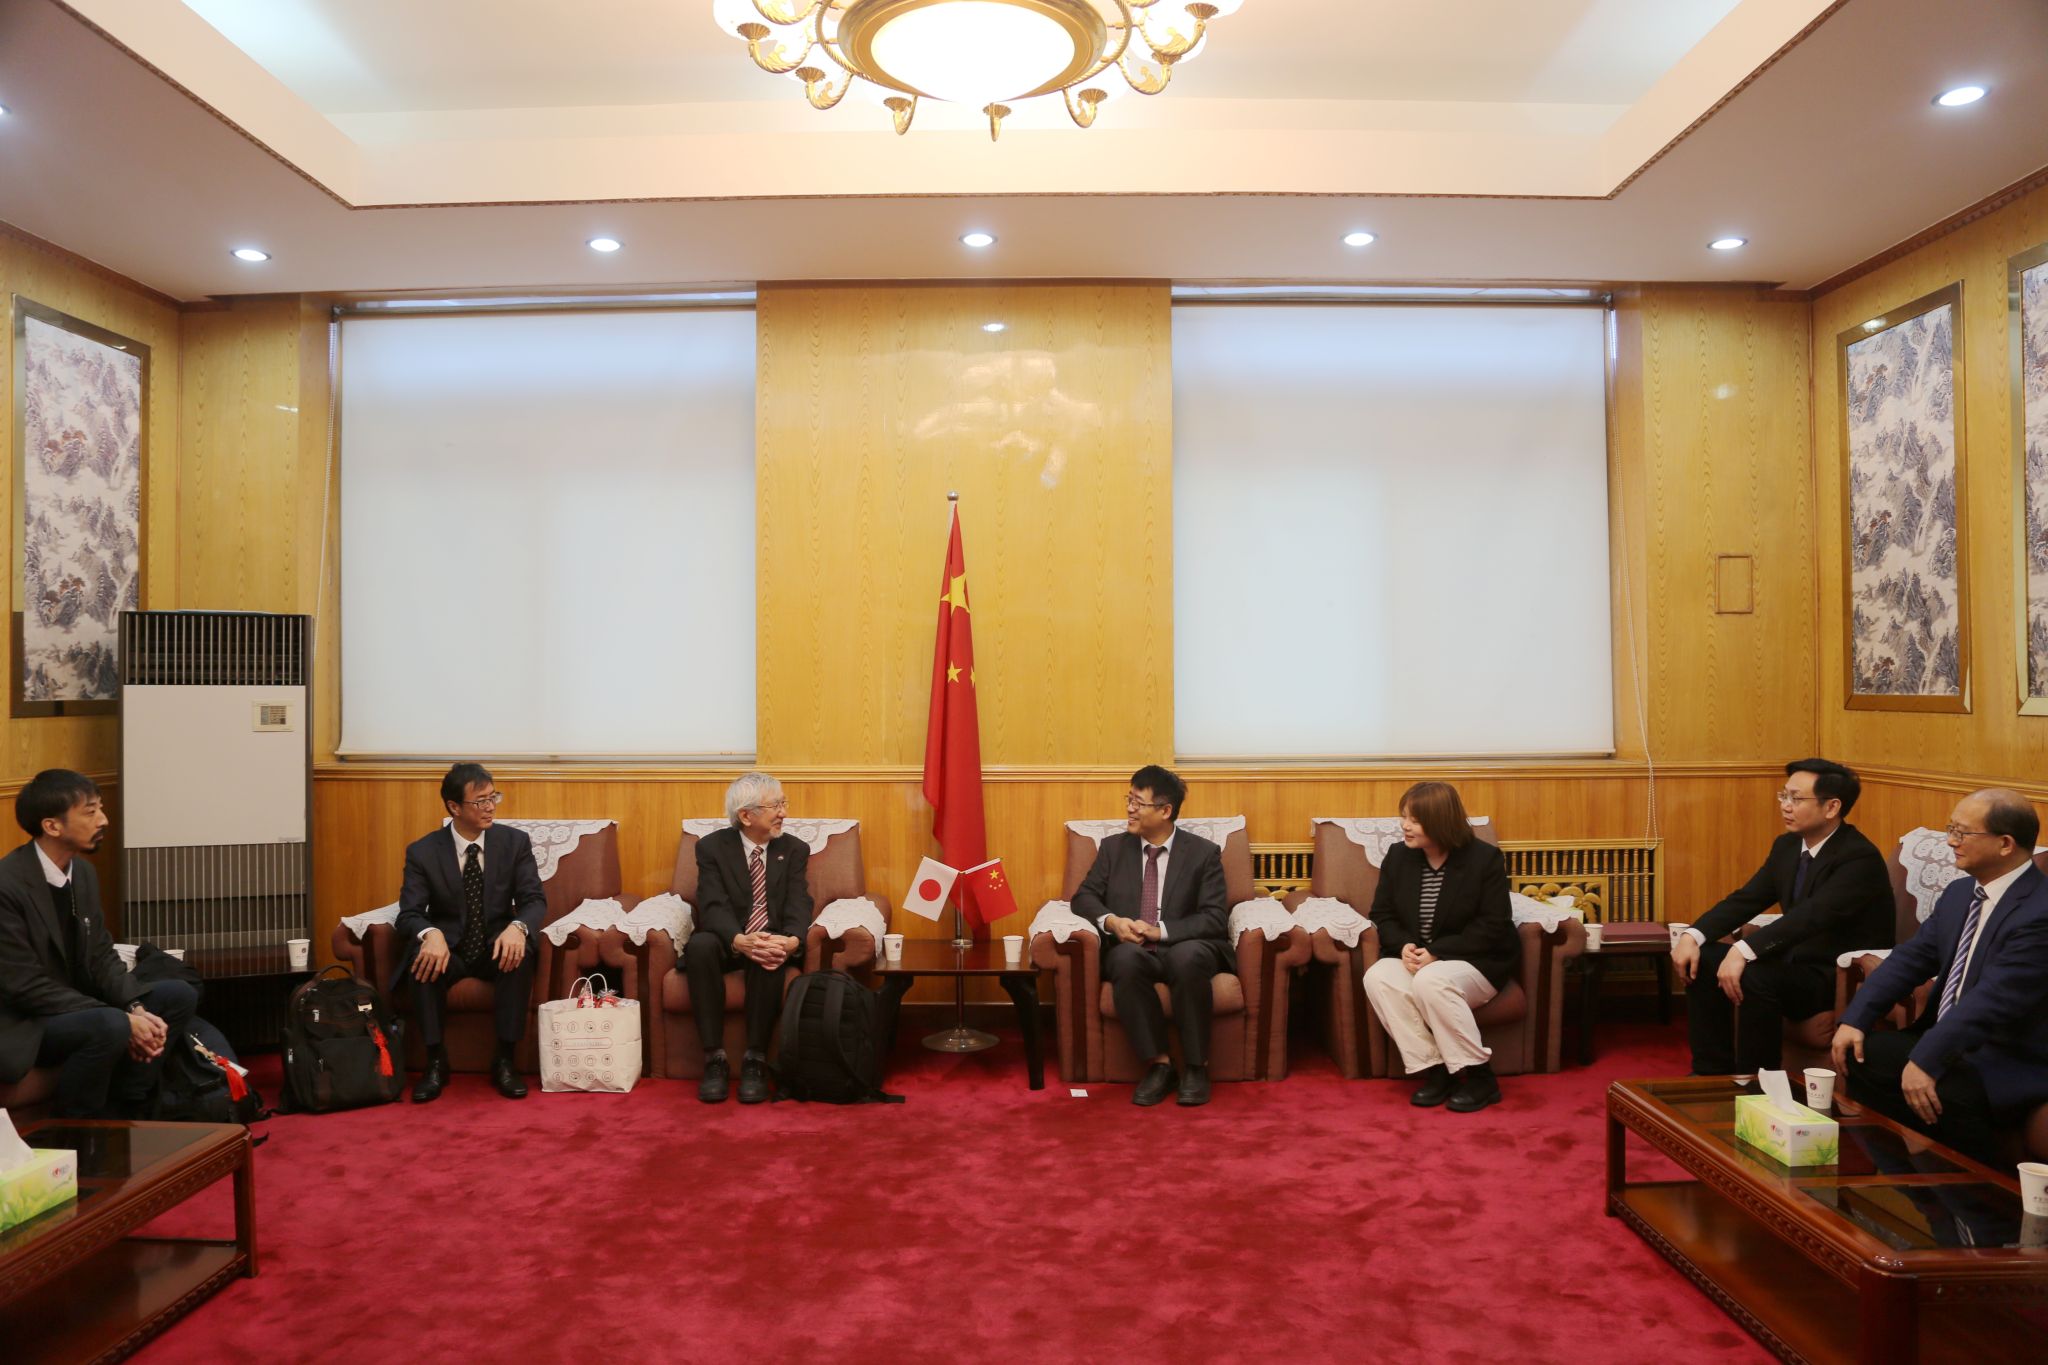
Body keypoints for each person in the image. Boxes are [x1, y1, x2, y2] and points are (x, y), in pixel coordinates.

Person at [1832, 789, 2048, 1164]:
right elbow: (1909, 959)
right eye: (1951, 829)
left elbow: (1993, 999)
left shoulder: (2040, 911)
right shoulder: (1961, 893)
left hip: (2004, 1056)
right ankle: (1899, 1179)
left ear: (2005, 844)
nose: (1951, 841)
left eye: (1962, 833)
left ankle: (1977, 1189)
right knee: (1861, 1053)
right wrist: (1855, 1018)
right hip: (1951, 1039)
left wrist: (1927, 1058)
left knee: (1943, 1089)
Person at [1672, 757, 1892, 1076]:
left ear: (1832, 807)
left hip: (1830, 975)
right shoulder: (1788, 846)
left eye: (1796, 798)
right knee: (1704, 958)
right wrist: (1693, 935)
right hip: (1791, 964)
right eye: (1784, 795)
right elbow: (1748, 898)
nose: (1785, 806)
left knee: (1753, 974)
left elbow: (1810, 917)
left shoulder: (1859, 858)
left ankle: (1756, 1084)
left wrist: (1742, 950)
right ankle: (1709, 1074)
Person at [0, 769, 197, 1118]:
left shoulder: (83, 873)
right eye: (90, 812)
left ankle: (131, 1106)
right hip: (25, 1020)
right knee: (110, 1024)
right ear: (52, 826)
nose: (103, 820)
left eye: (100, 809)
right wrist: (121, 1017)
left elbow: (101, 956)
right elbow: (25, 987)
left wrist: (135, 1007)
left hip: (78, 1004)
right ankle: (78, 1127)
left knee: (177, 994)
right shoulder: (7, 885)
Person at [1072, 765, 1231, 1107]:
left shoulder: (1203, 853)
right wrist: (1112, 922)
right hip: (1135, 948)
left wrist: (1162, 930)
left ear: (1165, 810)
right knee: (1123, 959)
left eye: (1138, 802)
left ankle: (1196, 1067)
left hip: (1186, 945)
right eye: (1128, 799)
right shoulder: (1113, 849)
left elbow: (1215, 917)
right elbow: (1083, 897)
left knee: (1187, 957)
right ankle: (1160, 1064)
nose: (1129, 809)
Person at [1361, 781, 1519, 1113]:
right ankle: (1436, 1071)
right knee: (1378, 976)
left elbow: (1493, 924)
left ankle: (1480, 1077)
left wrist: (1437, 953)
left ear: (1440, 821)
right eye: (1404, 816)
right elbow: (1383, 914)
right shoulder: (1398, 856)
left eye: (1415, 820)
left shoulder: (1483, 859)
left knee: (1431, 980)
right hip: (1418, 958)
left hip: (1474, 960)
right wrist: (1404, 946)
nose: (1404, 826)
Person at [393, 763, 546, 1102]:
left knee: (519, 954)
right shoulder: (423, 852)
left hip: (495, 943)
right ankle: (435, 1061)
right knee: (422, 960)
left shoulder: (514, 843)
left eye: (493, 797)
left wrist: (518, 927)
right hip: (450, 948)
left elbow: (534, 900)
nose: (490, 807)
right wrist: (430, 933)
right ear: (454, 807)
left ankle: (505, 1060)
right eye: (480, 801)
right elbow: (409, 913)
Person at [688, 772, 812, 1104]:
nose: (784, 812)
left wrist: (793, 940)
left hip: (771, 935)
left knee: (770, 946)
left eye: (783, 803)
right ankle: (714, 1058)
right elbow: (712, 903)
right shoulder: (711, 848)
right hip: (727, 938)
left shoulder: (794, 849)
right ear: (746, 815)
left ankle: (755, 1059)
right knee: (699, 946)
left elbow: (799, 900)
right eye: (775, 806)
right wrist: (738, 939)